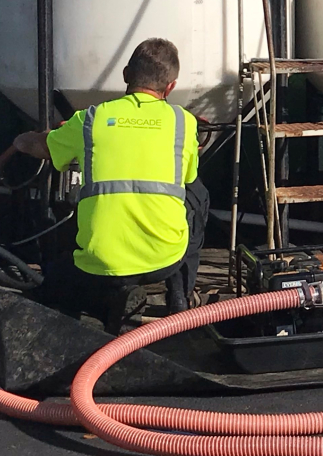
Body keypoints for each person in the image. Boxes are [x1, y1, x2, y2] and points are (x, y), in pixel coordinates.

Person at [13, 37, 209, 332]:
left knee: (63, 275)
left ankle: (107, 298)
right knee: (197, 194)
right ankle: (179, 296)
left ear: (126, 75)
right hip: (164, 259)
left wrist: (21, 140)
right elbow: (188, 177)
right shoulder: (184, 123)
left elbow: (41, 146)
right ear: (170, 87)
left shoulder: (90, 120)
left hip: (98, 264)